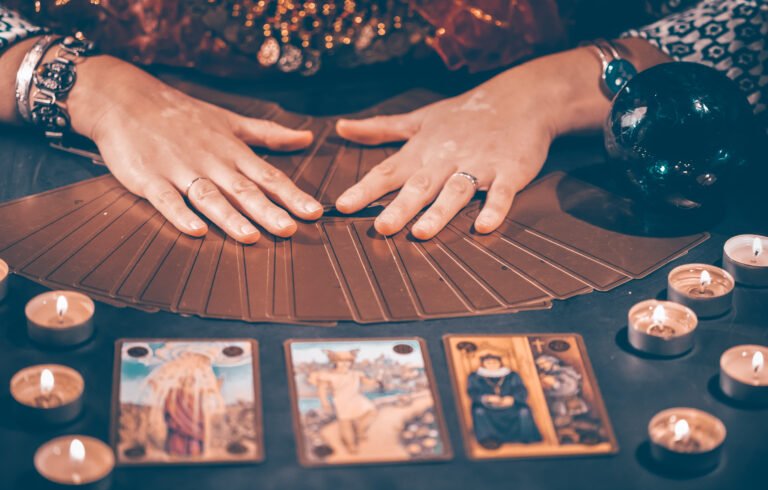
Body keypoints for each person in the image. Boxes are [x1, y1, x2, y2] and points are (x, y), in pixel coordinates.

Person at [0, 1, 764, 242]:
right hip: (100, 155)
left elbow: (744, 19)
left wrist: (563, 85)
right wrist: (80, 85)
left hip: (546, 158)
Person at [308, 349, 379, 454]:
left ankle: (360, 430)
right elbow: (321, 390)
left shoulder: (356, 374)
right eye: (341, 361)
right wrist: (325, 403)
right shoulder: (328, 375)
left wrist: (374, 382)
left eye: (348, 361)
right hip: (341, 400)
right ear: (335, 362)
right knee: (346, 424)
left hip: (357, 398)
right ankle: (351, 445)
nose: (345, 364)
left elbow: (367, 382)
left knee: (372, 412)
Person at [467, 352, 541, 449]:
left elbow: (521, 390)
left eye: (495, 362)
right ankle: (488, 439)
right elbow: (473, 392)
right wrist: (486, 398)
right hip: (488, 407)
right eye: (488, 363)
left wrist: (513, 399)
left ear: (500, 363)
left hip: (511, 406)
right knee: (479, 412)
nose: (492, 365)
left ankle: (526, 438)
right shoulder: (475, 376)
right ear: (483, 364)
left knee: (524, 411)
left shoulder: (512, 375)